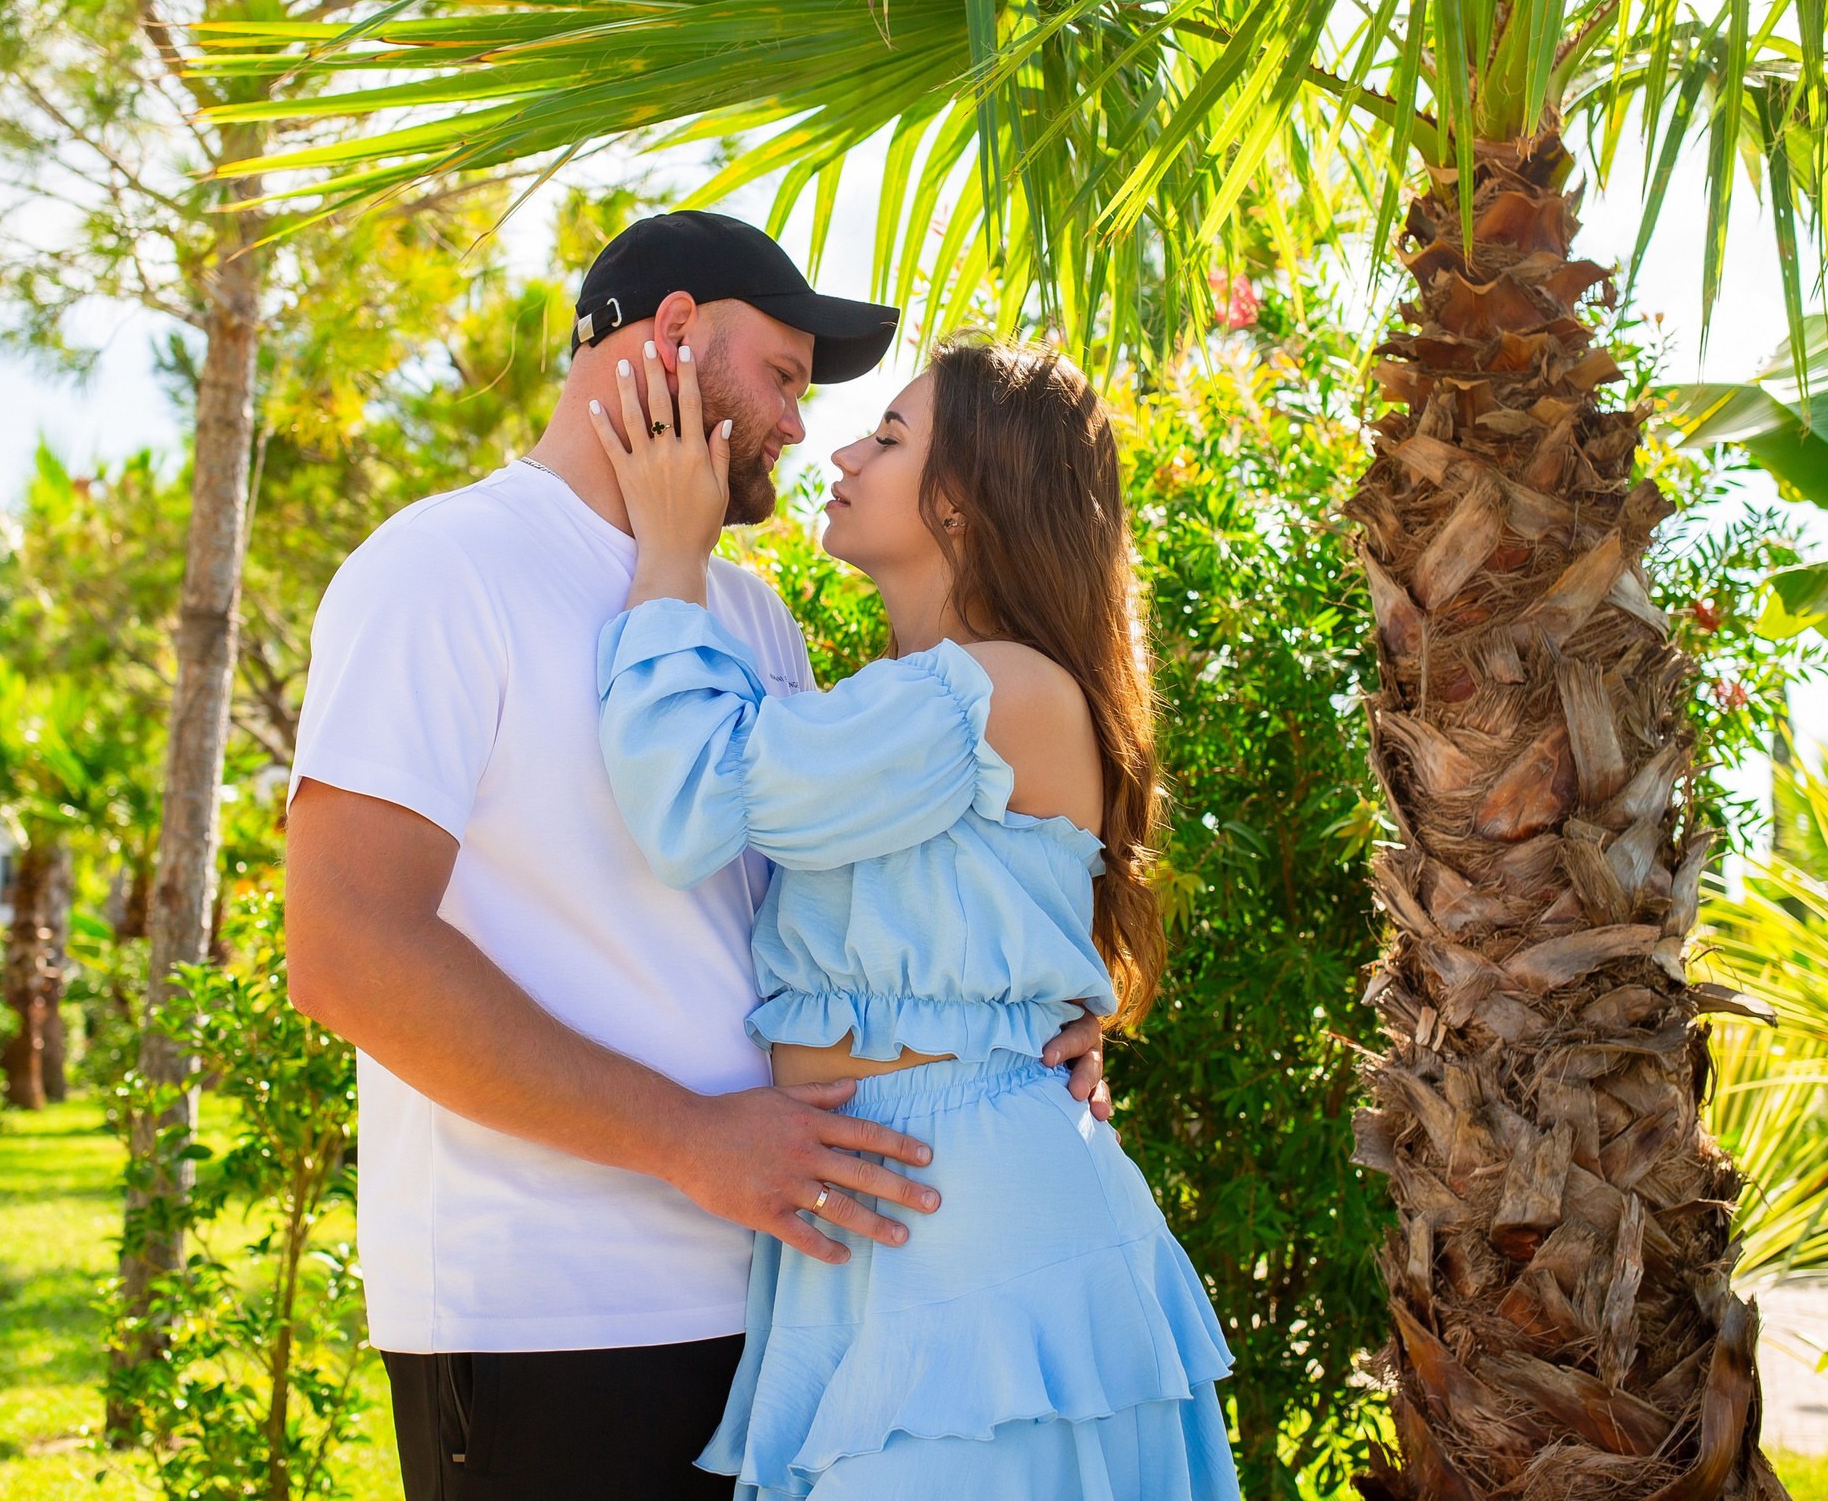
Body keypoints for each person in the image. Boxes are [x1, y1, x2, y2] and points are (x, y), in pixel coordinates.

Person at [282, 211, 1108, 1501]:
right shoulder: (444, 569)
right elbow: (346, 951)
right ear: (670, 335)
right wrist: (686, 1140)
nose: (799, 426)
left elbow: (840, 908)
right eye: (782, 376)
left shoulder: (745, 611)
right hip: (549, 1318)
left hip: (792, 1294)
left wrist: (1029, 1037)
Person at [584, 332, 1240, 1498]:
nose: (839, 447)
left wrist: (672, 558)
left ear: (969, 501)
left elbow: (688, 802)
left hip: (961, 1214)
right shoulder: (934, 699)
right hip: (900, 1199)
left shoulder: (991, 690)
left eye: (890, 436)